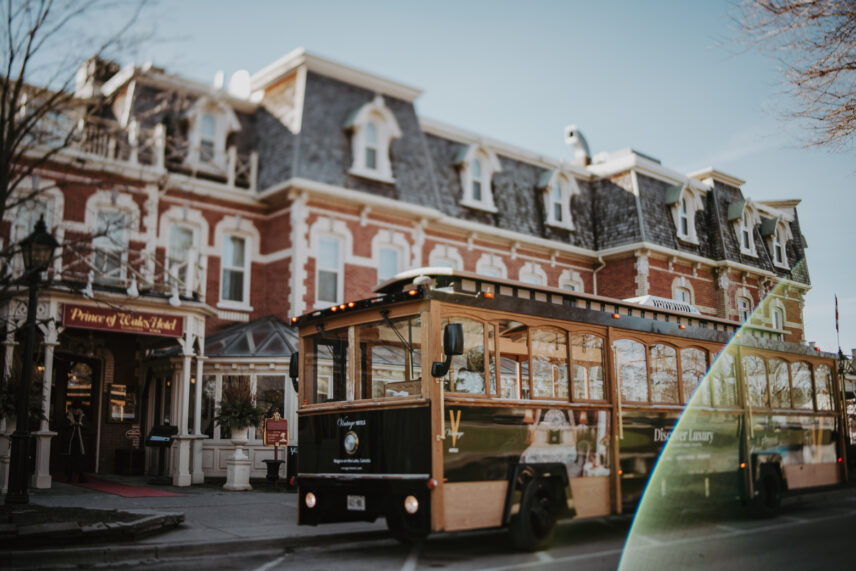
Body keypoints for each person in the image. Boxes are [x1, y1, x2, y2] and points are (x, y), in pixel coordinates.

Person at [63, 400, 88, 483]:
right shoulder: (68, 416)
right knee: (69, 460)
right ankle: (69, 477)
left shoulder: (83, 417)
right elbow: (63, 426)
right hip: (70, 441)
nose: (76, 411)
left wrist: (81, 425)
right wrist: (71, 424)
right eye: (75, 409)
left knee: (80, 460)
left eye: (78, 409)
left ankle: (81, 476)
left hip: (80, 442)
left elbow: (88, 427)